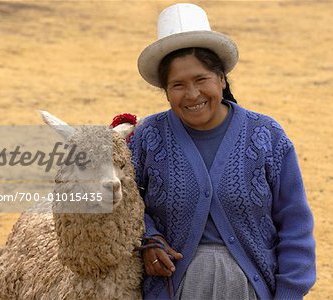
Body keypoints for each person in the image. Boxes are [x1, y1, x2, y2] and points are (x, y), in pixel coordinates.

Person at [128, 3, 316, 300]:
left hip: (251, 290)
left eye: (201, 79)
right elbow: (126, 204)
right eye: (178, 85)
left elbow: (295, 222)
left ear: (222, 78)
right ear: (165, 91)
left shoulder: (266, 136)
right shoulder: (147, 137)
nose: (192, 95)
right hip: (172, 290)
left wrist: (289, 292)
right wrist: (149, 239)